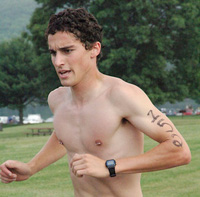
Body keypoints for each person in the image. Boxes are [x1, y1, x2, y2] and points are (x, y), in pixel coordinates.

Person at [0, 8, 191, 197]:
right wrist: (31, 167)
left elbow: (179, 151)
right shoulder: (57, 99)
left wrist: (110, 166)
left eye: (67, 51)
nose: (58, 62)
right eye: (53, 52)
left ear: (94, 49)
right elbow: (66, 136)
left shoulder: (121, 95)